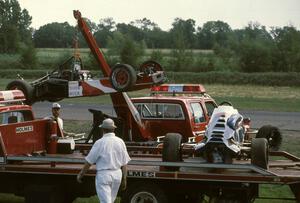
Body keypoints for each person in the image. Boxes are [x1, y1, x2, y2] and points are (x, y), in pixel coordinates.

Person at [77, 118, 130, 203]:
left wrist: (81, 174)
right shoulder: (120, 142)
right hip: (117, 175)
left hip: (104, 175)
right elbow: (124, 163)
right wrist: (124, 179)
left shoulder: (100, 142)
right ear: (113, 129)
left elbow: (89, 161)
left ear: (102, 129)